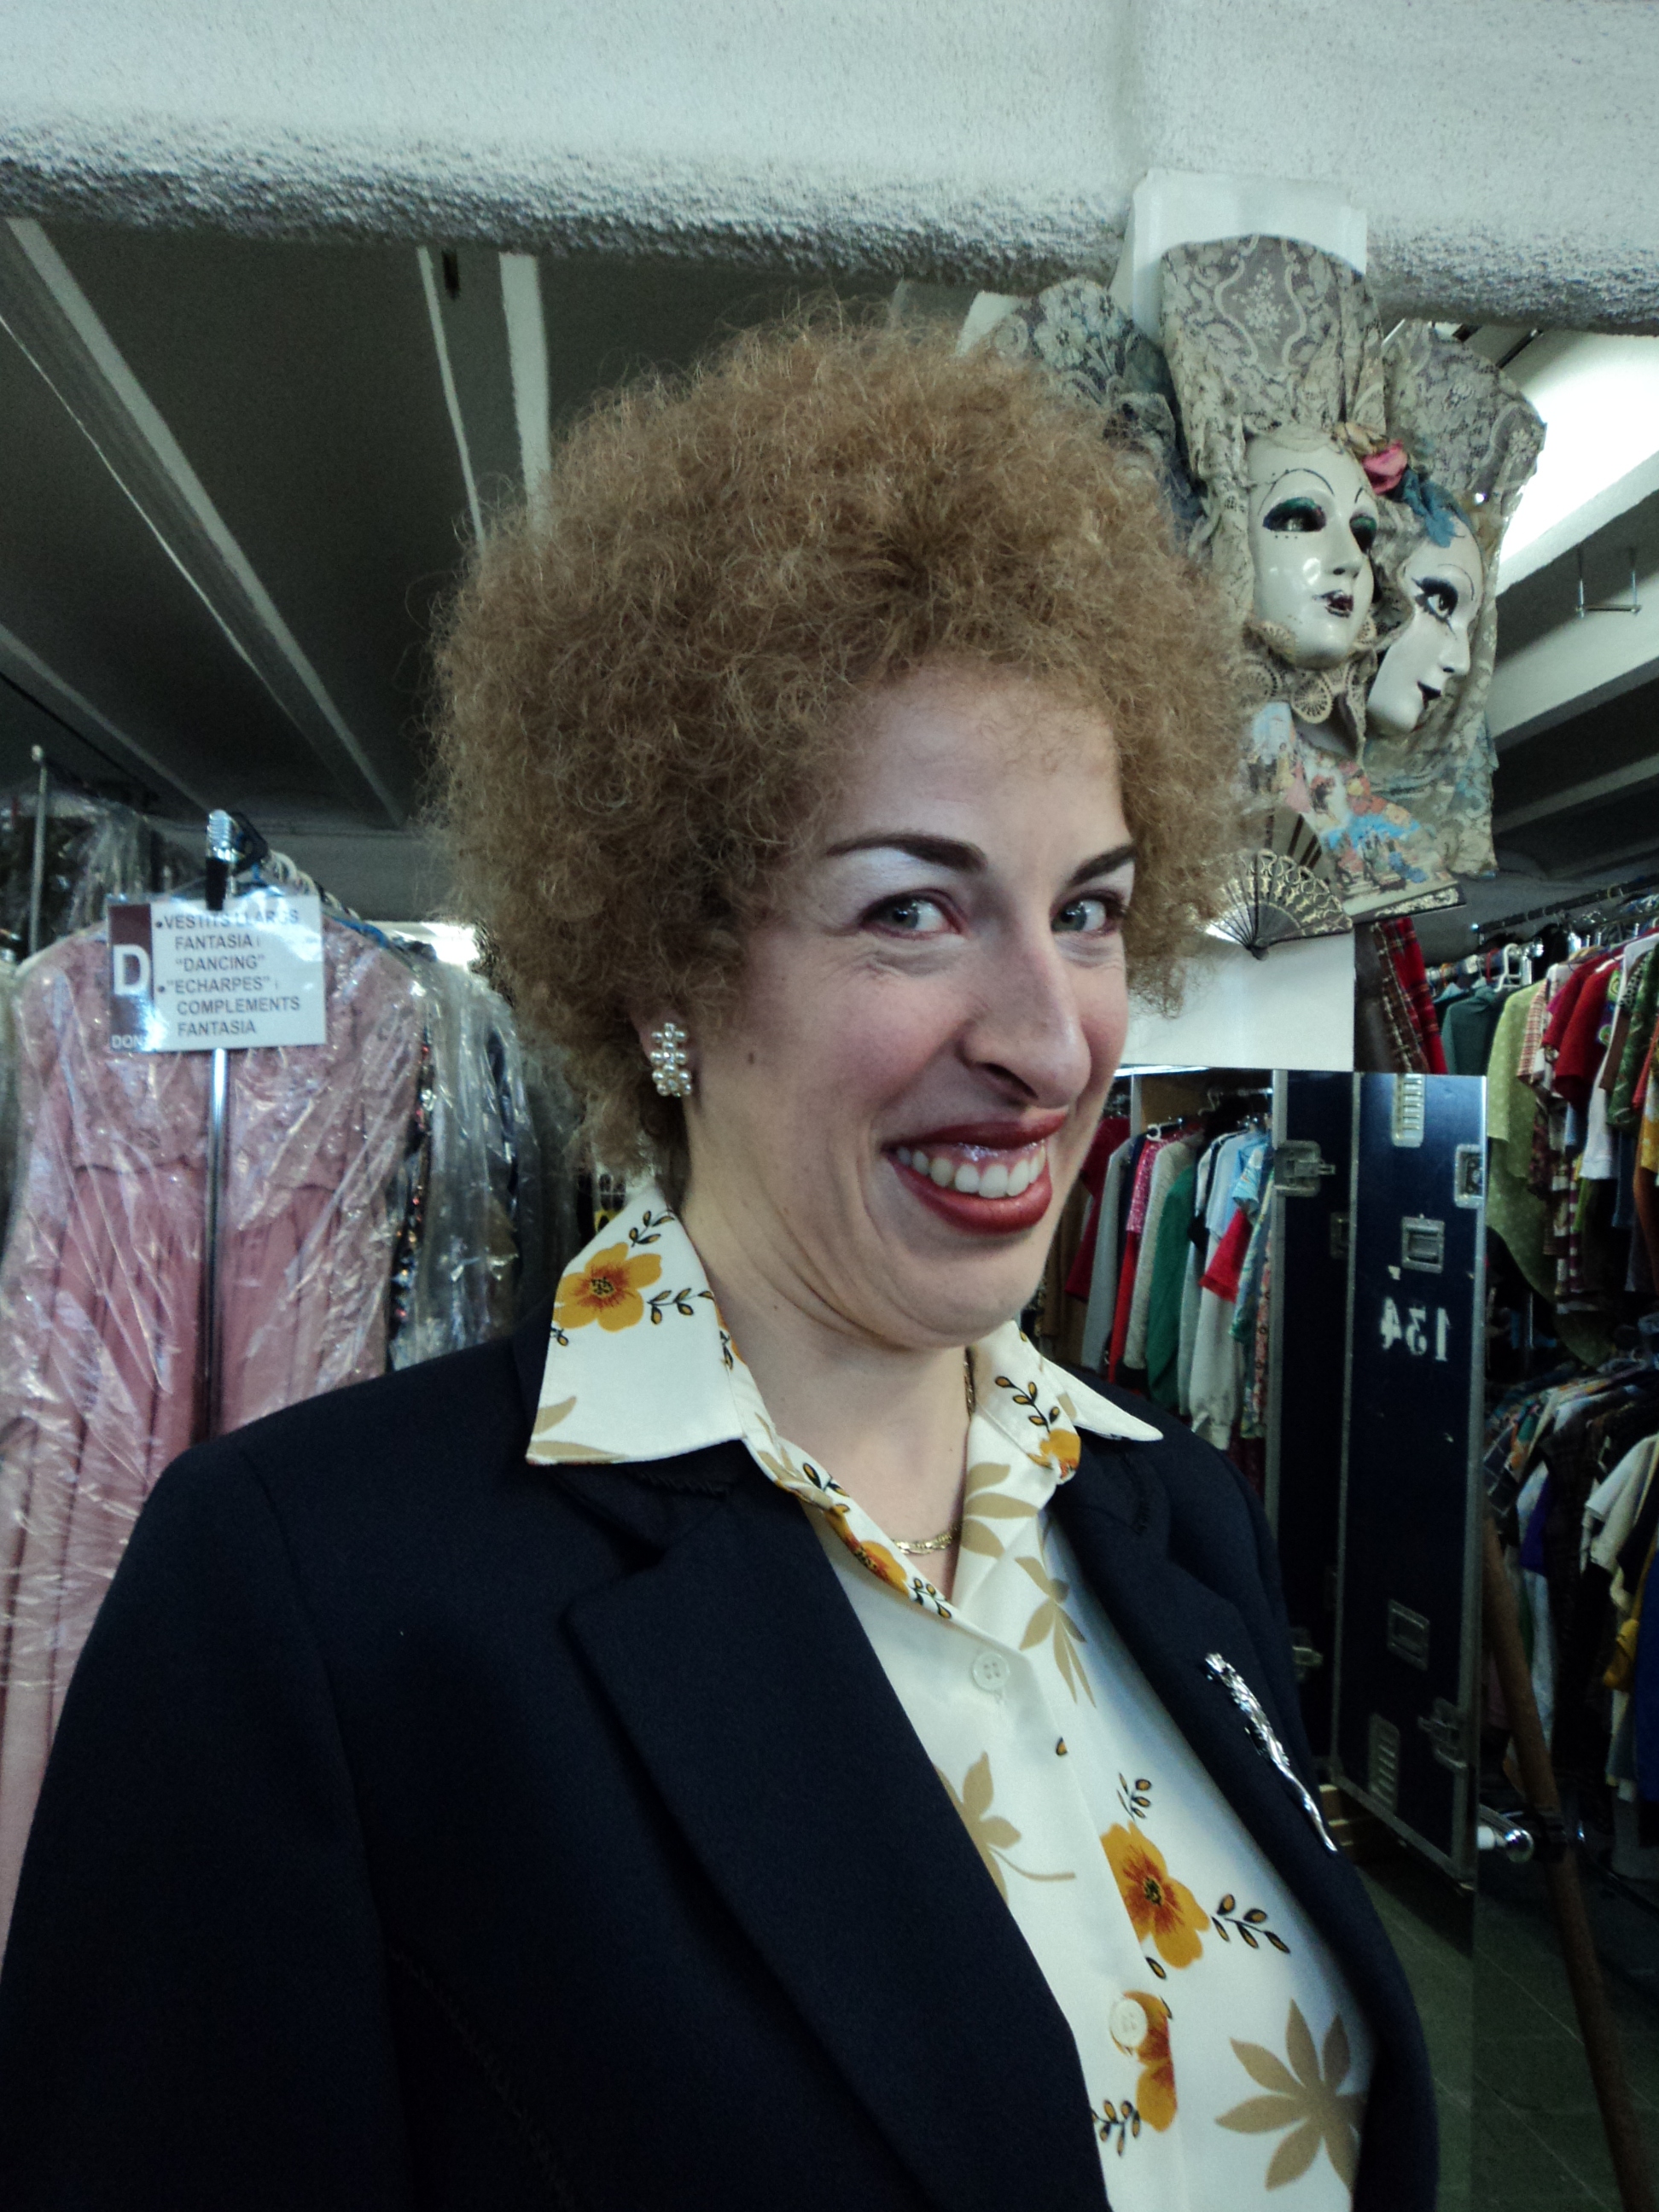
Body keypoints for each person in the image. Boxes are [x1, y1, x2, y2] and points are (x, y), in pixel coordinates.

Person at [0, 314, 1433, 2210]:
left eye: (1087, 911)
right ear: (668, 961)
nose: (1052, 1037)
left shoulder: (1178, 1517)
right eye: (912, 909)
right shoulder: (310, 1598)